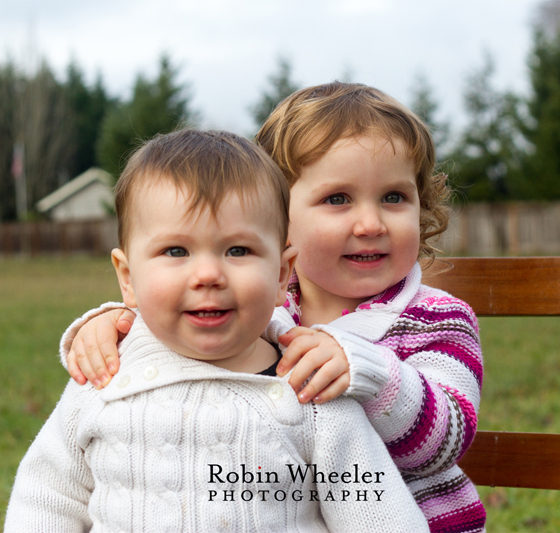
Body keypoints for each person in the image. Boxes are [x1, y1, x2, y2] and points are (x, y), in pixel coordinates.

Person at [62, 83, 486, 533]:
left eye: (394, 197)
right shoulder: (260, 303)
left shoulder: (436, 318)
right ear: (277, 217)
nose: (371, 223)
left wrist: (370, 371)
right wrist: (118, 323)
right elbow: (184, 330)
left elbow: (447, 442)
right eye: (338, 199)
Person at [4, 130, 429, 532]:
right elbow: (46, 498)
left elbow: (380, 516)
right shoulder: (107, 378)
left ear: (282, 273)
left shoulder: (311, 392)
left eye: (237, 250)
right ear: (128, 278)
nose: (208, 274)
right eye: (176, 250)